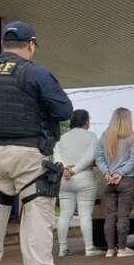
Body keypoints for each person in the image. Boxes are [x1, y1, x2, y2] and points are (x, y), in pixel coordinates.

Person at [0, 21, 75, 265]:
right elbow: (63, 111)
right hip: (28, 154)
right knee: (37, 220)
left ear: (3, 45)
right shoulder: (34, 72)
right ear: (31, 45)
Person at [55, 109, 103, 257]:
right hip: (84, 177)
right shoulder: (91, 136)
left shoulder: (62, 138)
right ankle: (89, 248)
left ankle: (63, 248)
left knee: (64, 214)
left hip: (64, 178)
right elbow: (89, 157)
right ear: (86, 121)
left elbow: (56, 155)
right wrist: (75, 170)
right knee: (85, 214)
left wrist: (65, 170)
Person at [95, 108, 134, 258]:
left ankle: (109, 249)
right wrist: (120, 173)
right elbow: (133, 160)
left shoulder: (104, 137)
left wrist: (107, 173)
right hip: (126, 180)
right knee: (123, 216)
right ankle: (122, 249)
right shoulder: (133, 138)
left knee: (110, 216)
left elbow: (99, 158)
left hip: (108, 181)